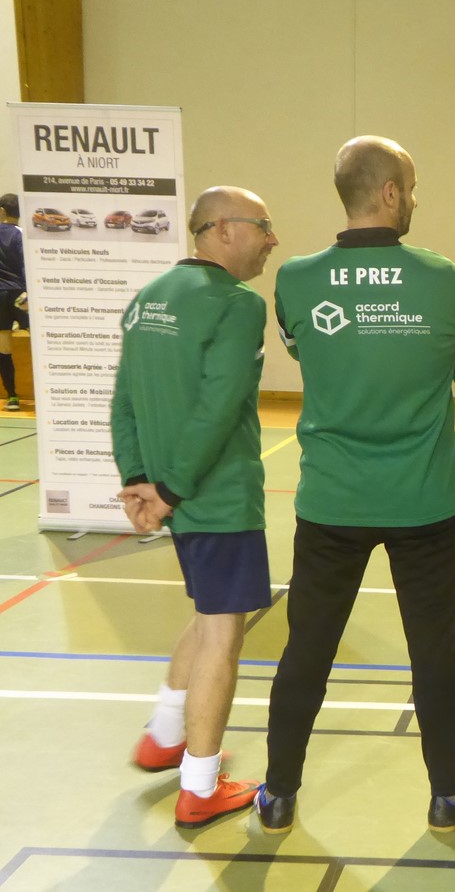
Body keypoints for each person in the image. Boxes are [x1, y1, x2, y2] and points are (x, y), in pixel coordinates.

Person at [258, 136, 455, 835]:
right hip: (423, 504)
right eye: (411, 188)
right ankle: (447, 796)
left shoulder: (296, 279)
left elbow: (304, 346)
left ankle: (277, 795)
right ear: (390, 193)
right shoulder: (442, 278)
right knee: (434, 651)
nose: (415, 199)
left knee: (307, 649)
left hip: (332, 501)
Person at [111, 186, 279, 828]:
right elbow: (219, 405)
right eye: (263, 226)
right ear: (223, 229)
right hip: (218, 498)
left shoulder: (150, 298)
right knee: (223, 635)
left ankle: (164, 734)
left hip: (178, 498)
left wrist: (141, 481)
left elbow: (124, 400)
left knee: (209, 614)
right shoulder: (236, 304)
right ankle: (201, 786)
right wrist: (171, 489)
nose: (272, 239)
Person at [0, 193, 29, 411]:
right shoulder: (22, 234)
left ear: (2, 211)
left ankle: (12, 397)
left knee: (4, 346)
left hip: (0, 295)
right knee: (39, 341)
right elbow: (26, 265)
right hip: (21, 294)